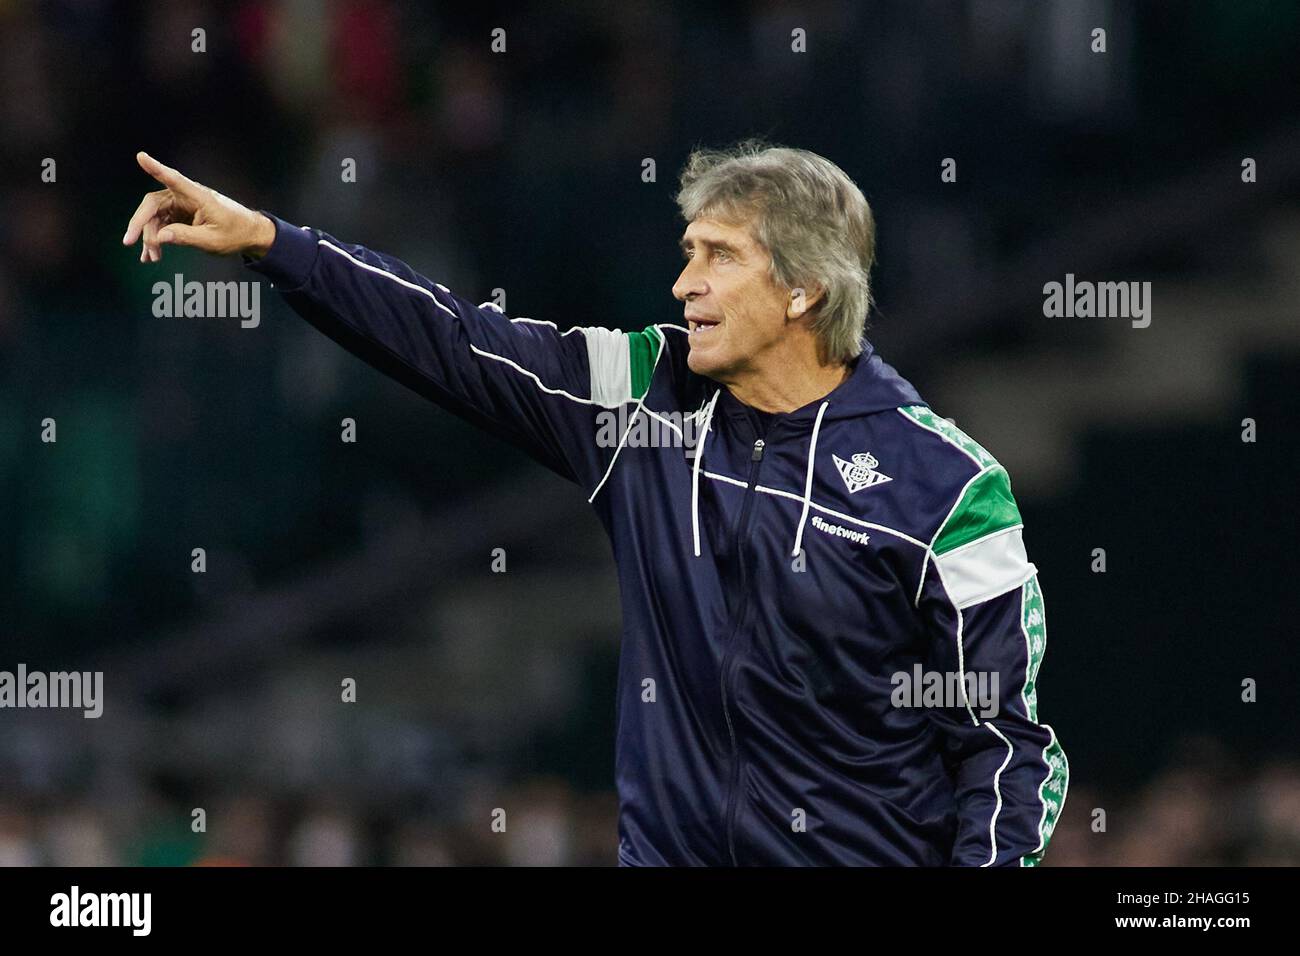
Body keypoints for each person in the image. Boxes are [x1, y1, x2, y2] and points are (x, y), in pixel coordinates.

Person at [122, 141, 1068, 866]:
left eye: (719, 257)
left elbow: (1009, 752)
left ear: (803, 291)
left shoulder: (949, 490)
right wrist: (274, 244)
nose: (683, 282)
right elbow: (455, 340)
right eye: (688, 251)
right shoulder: (645, 396)